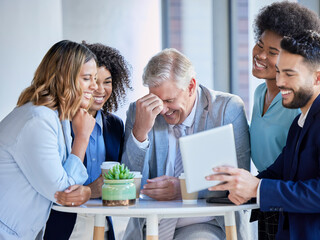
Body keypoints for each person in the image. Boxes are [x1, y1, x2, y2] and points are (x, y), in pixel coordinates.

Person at [207, 31, 320, 239]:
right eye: (279, 72)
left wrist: (257, 188)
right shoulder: (300, 122)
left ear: (319, 77)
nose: (279, 81)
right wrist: (236, 185)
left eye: (289, 74)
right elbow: (277, 174)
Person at [121, 48, 251, 239]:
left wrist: (184, 190)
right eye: (157, 100)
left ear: (191, 86)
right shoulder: (140, 112)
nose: (163, 110)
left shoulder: (227, 110)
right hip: (150, 225)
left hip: (205, 224)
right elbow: (128, 184)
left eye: (169, 100)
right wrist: (140, 132)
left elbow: (240, 183)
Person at [0, 40, 97, 240]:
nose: (95, 86)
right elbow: (63, 193)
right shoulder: (37, 121)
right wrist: (82, 138)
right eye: (87, 78)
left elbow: (68, 186)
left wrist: (85, 192)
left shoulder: (56, 119)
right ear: (64, 79)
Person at [249, 2, 320, 239]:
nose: (260, 55)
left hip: (288, 201)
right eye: (260, 45)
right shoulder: (260, 93)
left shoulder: (297, 104)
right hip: (265, 195)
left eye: (273, 52)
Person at [44, 42, 132, 240]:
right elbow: (57, 186)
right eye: (92, 80)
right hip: (65, 224)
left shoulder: (115, 125)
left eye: (107, 82)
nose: (99, 89)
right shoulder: (59, 123)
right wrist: (91, 190)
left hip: (104, 222)